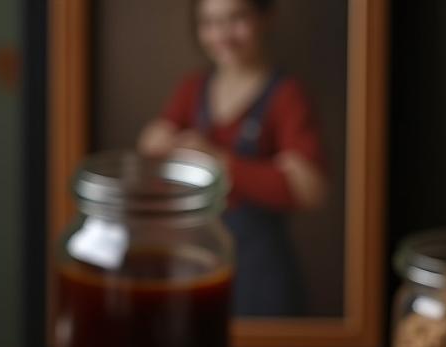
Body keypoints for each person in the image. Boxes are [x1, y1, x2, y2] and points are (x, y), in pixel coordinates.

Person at [138, 0, 326, 316]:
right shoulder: (193, 88)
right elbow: (151, 146)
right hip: (196, 256)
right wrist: (266, 174)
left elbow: (309, 189)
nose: (222, 34)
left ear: (266, 17)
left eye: (236, 18)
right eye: (210, 23)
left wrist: (216, 160)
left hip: (259, 268)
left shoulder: (286, 95)